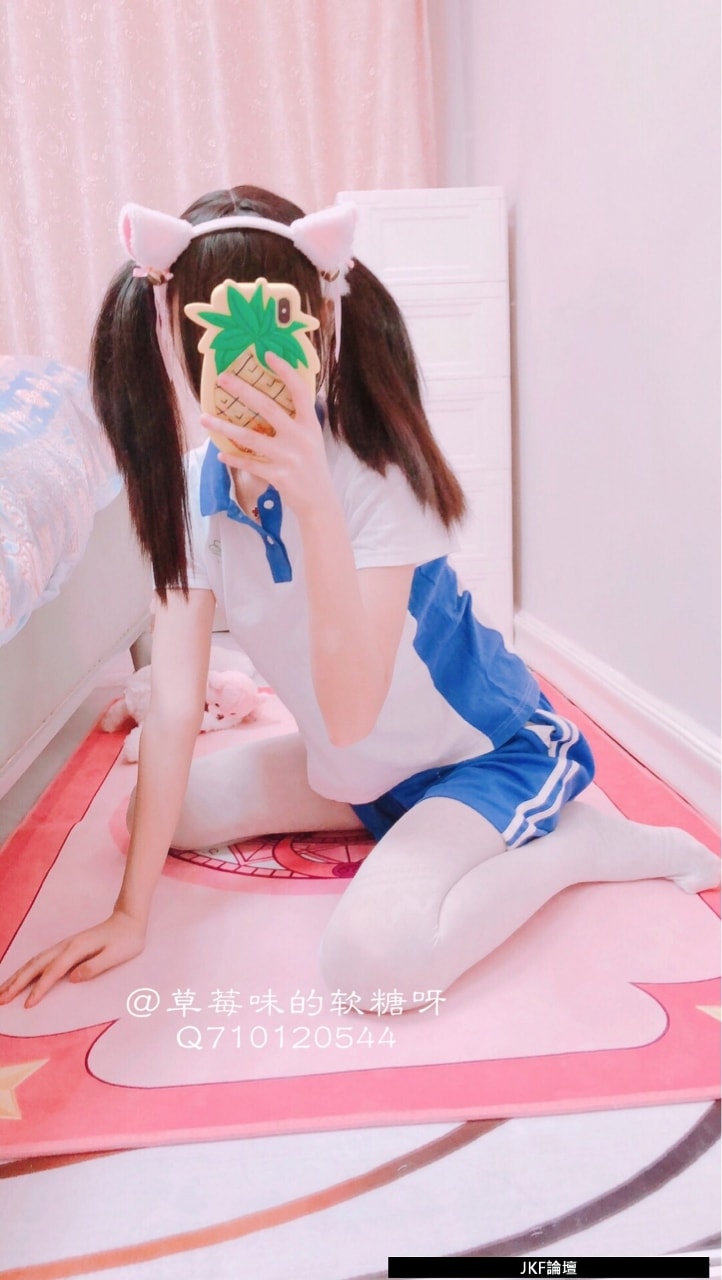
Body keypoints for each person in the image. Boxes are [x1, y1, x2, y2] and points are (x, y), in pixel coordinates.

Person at [1, 186, 717, 1011]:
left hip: (487, 754)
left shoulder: (376, 470)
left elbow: (348, 716)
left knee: (373, 967)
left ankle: (579, 847)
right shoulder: (198, 489)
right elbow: (170, 707)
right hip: (360, 775)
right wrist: (130, 916)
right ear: (177, 338)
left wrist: (312, 501)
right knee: (152, 819)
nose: (245, 372)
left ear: (316, 330)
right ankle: (412, 825)